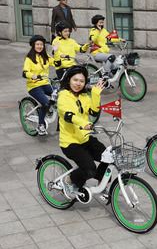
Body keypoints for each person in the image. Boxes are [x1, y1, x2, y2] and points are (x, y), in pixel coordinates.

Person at [58, 66, 106, 199]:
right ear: (68, 80)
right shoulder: (63, 96)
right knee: (90, 169)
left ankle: (102, 185)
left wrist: (96, 94)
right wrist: (84, 123)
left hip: (85, 138)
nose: (78, 84)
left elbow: (94, 112)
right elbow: (68, 115)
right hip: (70, 142)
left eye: (81, 81)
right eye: (75, 80)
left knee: (109, 157)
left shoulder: (84, 96)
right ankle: (68, 181)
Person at [22, 35, 59, 135]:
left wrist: (56, 52)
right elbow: (24, 73)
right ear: (33, 45)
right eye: (37, 44)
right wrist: (32, 75)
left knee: (60, 94)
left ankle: (48, 108)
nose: (40, 46)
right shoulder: (29, 58)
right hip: (34, 86)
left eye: (41, 44)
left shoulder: (45, 56)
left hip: (45, 83)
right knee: (46, 104)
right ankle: (40, 125)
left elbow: (57, 63)